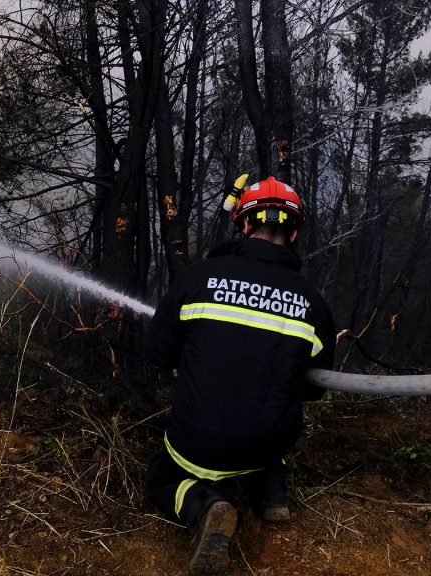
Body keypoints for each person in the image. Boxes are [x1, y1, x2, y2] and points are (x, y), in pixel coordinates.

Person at [143, 176, 336, 575]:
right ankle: (271, 491)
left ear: (244, 224)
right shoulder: (313, 303)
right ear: (294, 232)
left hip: (195, 442)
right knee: (274, 419)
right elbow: (312, 389)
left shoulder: (199, 278)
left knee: (161, 480)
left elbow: (156, 354)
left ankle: (203, 506)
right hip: (266, 444)